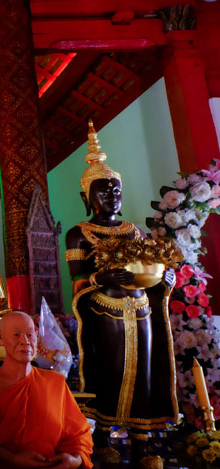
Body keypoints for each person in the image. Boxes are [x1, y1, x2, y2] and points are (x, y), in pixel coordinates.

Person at [65, 121, 176, 437]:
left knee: (145, 373)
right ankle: (103, 438)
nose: (111, 194)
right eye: (102, 189)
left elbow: (146, 272)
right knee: (110, 373)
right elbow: (77, 284)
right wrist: (101, 279)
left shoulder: (134, 231)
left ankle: (143, 440)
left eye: (116, 188)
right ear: (87, 196)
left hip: (141, 308)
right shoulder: (79, 235)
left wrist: (164, 278)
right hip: (105, 311)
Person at [0, 311, 93, 469]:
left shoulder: (54, 381)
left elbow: (78, 435)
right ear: (0, 337)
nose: (25, 341)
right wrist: (13, 460)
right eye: (16, 335)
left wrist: (74, 459)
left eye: (30, 335)